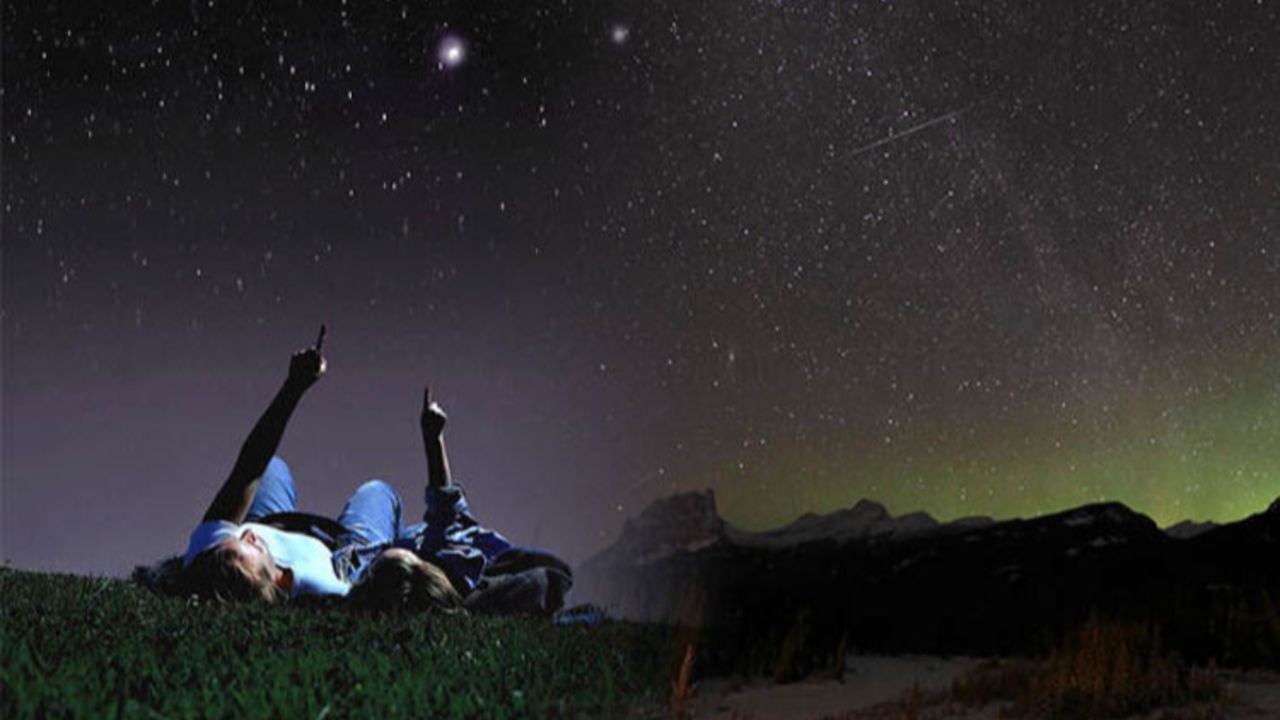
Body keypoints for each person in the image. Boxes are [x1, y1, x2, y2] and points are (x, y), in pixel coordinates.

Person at [180, 326, 570, 615]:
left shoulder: (208, 559)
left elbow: (249, 466)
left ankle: (408, 539)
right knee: (377, 491)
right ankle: (405, 538)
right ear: (280, 578)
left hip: (280, 521)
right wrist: (434, 442)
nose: (244, 533)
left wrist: (293, 387)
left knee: (271, 468)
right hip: (347, 555)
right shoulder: (330, 590)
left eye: (232, 539)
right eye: (250, 546)